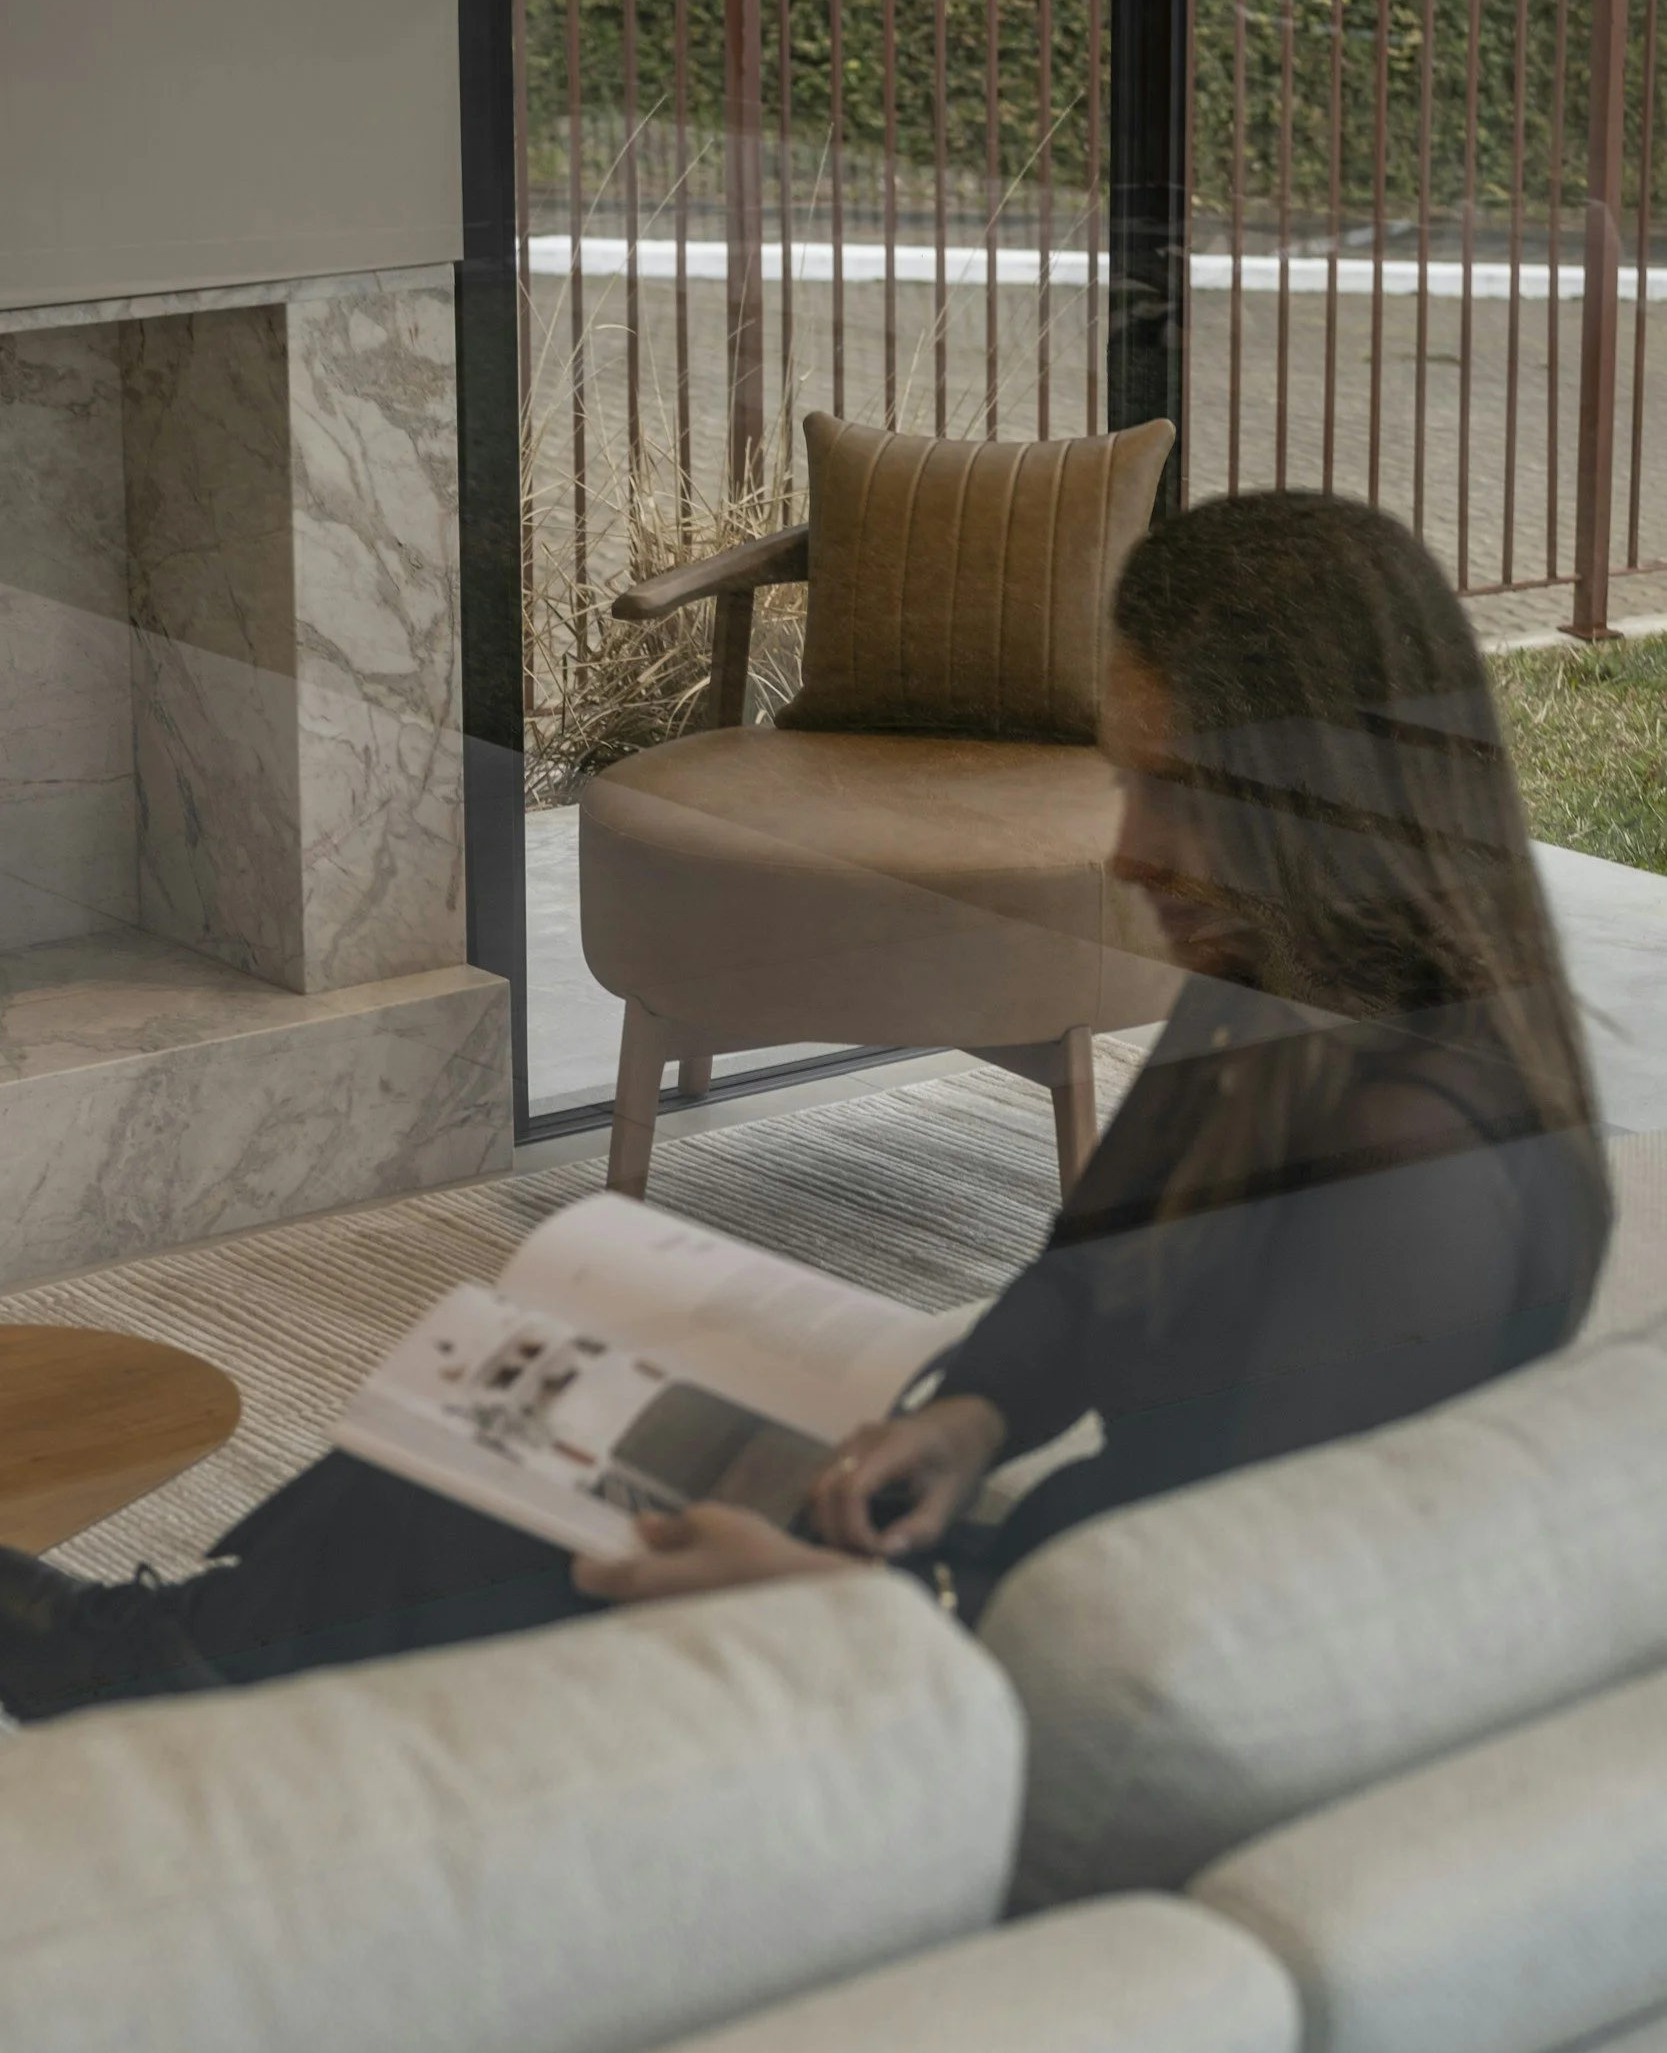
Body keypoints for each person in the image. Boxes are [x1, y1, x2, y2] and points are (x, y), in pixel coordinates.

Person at [0, 492, 1610, 1721]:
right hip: (991, 1556)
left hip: (998, 1653)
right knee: (509, 1394)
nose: (1125, 849)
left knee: (497, 1517)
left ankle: (164, 1691)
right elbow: (1086, 1281)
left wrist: (845, 1595)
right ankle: (176, 1656)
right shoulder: (1285, 997)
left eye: (1171, 789)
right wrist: (963, 1410)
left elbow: (1209, 1643)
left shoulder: (1416, 1180)